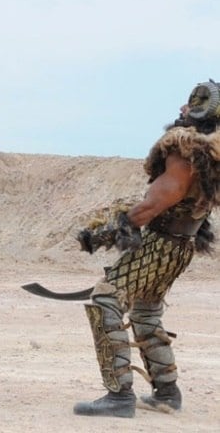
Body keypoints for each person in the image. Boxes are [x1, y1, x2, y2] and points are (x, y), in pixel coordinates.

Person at [72, 80, 220, 418]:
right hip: (180, 245)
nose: (182, 109)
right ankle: (167, 391)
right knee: (145, 312)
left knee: (106, 298)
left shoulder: (186, 152)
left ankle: (119, 395)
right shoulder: (211, 156)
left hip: (158, 243)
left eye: (189, 105)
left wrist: (107, 231)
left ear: (200, 111)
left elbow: (153, 206)